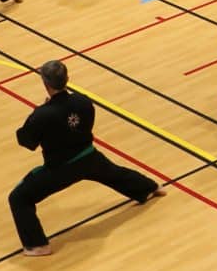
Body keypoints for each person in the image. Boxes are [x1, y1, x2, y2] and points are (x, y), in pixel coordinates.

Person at [10, 61, 161, 252]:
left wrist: (40, 113)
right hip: (89, 157)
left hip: (60, 169)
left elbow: (26, 141)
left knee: (19, 198)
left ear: (45, 84)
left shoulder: (42, 114)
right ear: (67, 79)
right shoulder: (83, 101)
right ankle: (150, 187)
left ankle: (37, 245)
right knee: (115, 174)